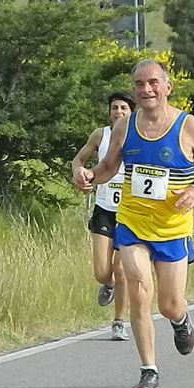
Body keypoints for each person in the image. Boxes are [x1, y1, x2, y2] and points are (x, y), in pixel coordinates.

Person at [74, 59, 194, 388]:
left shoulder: (189, 126)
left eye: (153, 83)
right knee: (139, 288)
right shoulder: (125, 127)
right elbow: (109, 167)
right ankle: (149, 370)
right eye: (140, 84)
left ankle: (180, 319)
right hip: (131, 224)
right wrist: (88, 177)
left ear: (167, 87)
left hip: (172, 229)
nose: (146, 90)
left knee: (169, 304)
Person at [72, 91, 134, 341]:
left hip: (130, 212)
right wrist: (80, 173)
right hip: (105, 209)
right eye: (114, 108)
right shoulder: (101, 135)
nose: (118, 112)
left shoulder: (140, 135)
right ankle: (107, 285)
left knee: (122, 270)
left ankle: (119, 322)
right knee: (102, 271)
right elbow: (79, 158)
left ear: (132, 112)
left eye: (123, 108)